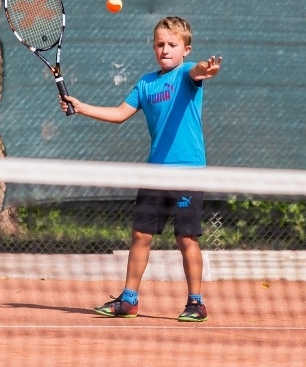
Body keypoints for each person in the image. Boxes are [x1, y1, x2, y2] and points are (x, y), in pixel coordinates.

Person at [61, 16, 222, 322]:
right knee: (140, 235)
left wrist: (205, 69)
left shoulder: (187, 73)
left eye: (172, 44)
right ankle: (129, 300)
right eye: (160, 44)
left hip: (188, 173)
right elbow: (119, 114)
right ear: (153, 47)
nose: (165, 50)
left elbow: (199, 71)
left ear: (186, 49)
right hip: (154, 173)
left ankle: (196, 303)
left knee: (186, 238)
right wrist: (81, 107)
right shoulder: (146, 83)